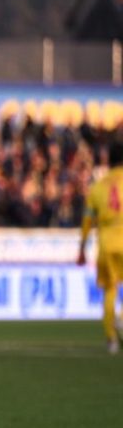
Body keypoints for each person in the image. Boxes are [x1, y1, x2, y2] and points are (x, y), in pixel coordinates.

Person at [78, 140, 123, 354]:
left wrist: (81, 248)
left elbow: (87, 221)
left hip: (106, 241)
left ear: (108, 161)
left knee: (110, 290)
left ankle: (111, 340)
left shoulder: (98, 187)